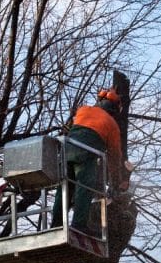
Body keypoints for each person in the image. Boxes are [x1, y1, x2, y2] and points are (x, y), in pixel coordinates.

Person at [52, 87, 125, 235]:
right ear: (115, 109)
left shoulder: (83, 110)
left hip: (67, 151)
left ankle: (56, 224)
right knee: (84, 187)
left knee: (64, 187)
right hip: (86, 154)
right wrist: (115, 182)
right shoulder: (112, 125)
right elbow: (114, 157)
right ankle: (79, 225)